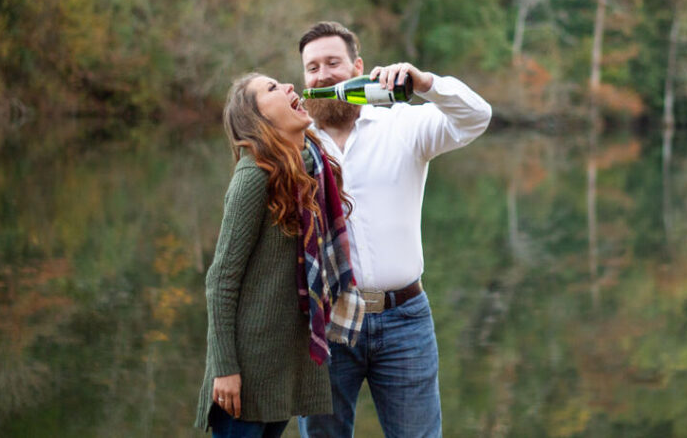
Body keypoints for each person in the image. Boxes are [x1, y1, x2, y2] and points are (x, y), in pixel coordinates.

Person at [296, 22, 492, 438]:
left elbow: (477, 117)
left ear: (359, 68)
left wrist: (426, 83)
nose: (323, 75)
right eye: (312, 68)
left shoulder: (402, 125)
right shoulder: (294, 147)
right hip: (326, 323)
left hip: (405, 319)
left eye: (334, 63)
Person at [194, 73, 365, 437]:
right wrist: (224, 369)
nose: (289, 87)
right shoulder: (253, 177)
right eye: (272, 89)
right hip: (245, 375)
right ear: (259, 119)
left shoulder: (309, 169)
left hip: (283, 368)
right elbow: (220, 281)